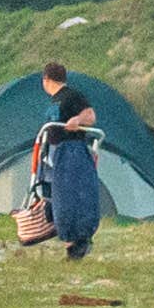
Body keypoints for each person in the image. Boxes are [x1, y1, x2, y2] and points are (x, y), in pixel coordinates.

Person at [25, 67, 110, 263]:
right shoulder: (54, 100)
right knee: (58, 199)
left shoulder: (72, 96)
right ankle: (70, 244)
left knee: (71, 198)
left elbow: (90, 116)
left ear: (46, 79)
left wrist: (77, 120)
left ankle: (79, 242)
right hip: (54, 151)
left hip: (70, 149)